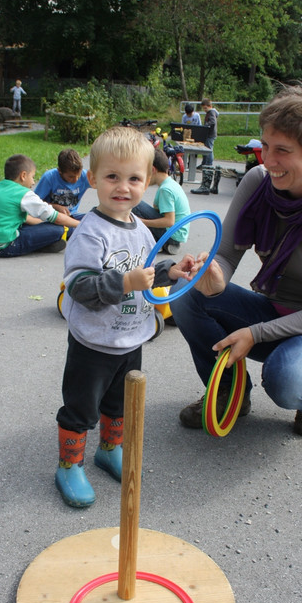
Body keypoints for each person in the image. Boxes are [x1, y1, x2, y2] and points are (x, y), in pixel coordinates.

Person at [171, 83, 302, 439]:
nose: (268, 160)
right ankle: (229, 393)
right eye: (265, 146)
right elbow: (227, 254)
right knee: (187, 291)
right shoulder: (258, 182)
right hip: (277, 312)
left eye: (283, 150)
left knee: (286, 378)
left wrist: (256, 333)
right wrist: (214, 277)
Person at [55, 126, 195, 507]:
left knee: (119, 403)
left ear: (147, 181)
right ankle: (69, 465)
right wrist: (124, 282)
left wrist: (171, 271)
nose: (123, 187)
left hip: (131, 339)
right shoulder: (91, 232)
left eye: (133, 178)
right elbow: (79, 287)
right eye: (112, 177)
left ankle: (109, 449)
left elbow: (146, 272)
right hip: (93, 343)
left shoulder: (140, 230)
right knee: (81, 407)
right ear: (92, 179)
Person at [0, 154, 80, 257]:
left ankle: (47, 241)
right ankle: (44, 244)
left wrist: (45, 224)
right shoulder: (23, 193)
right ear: (23, 175)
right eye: (32, 177)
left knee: (52, 225)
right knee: (59, 230)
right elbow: (57, 218)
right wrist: (80, 225)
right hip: (4, 246)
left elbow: (26, 218)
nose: (33, 182)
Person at [131, 148, 191, 255]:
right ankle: (158, 242)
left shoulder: (166, 190)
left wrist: (141, 221)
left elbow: (169, 221)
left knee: (135, 204)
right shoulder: (170, 183)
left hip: (172, 235)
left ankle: (156, 242)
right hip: (176, 234)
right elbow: (158, 212)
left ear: (153, 170)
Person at [34, 148, 90, 231]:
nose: (76, 180)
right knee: (64, 230)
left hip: (71, 216)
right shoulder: (49, 177)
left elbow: (102, 184)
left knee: (94, 220)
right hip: (51, 219)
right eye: (71, 177)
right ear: (60, 171)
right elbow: (35, 203)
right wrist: (55, 207)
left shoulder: (85, 176)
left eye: (78, 175)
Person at [198, 98, 219, 169]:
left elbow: (212, 121)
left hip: (211, 134)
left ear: (210, 106)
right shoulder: (209, 112)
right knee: (205, 149)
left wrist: (206, 125)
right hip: (207, 134)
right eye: (203, 108)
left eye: (205, 108)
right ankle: (204, 163)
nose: (204, 110)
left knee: (209, 149)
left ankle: (209, 164)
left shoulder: (212, 112)